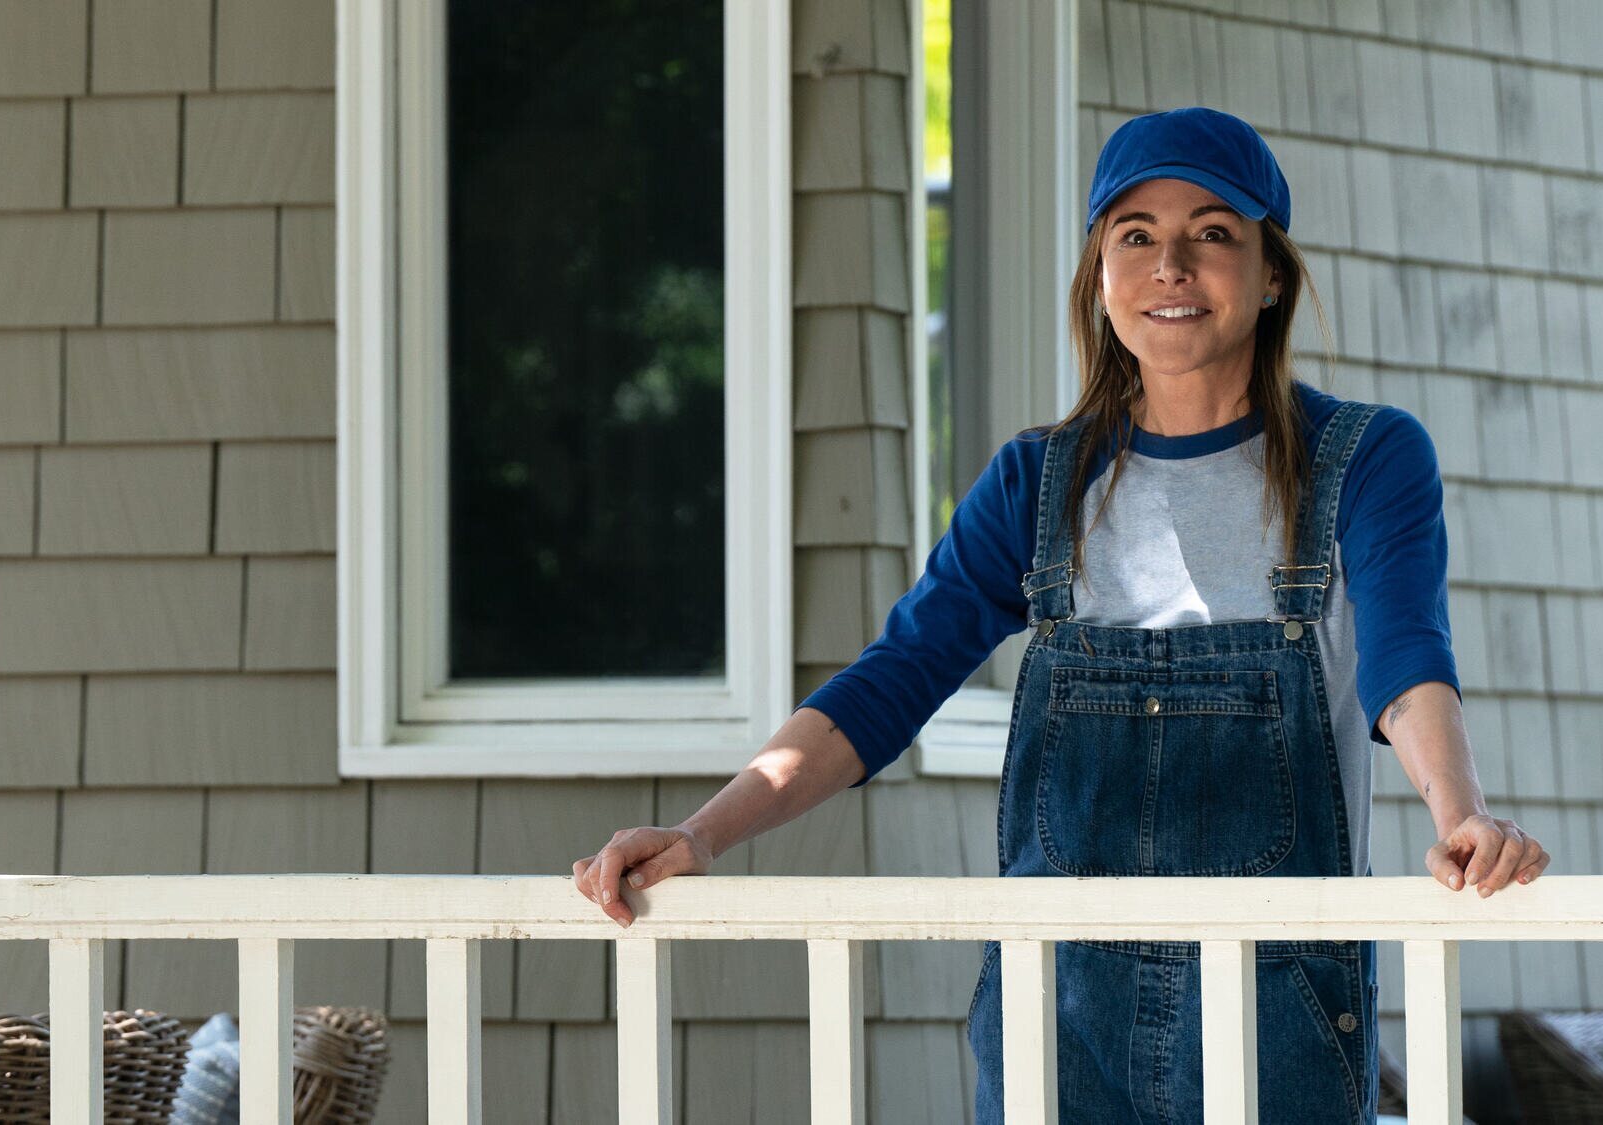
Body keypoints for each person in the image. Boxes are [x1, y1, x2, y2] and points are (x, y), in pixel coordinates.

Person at [572, 106, 1550, 1123]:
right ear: (1099, 276)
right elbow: (890, 684)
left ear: (1268, 276)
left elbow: (1403, 659)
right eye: (1134, 236)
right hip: (1056, 1010)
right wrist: (700, 834)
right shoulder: (1036, 483)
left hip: (1278, 1004)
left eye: (1212, 233)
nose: (1169, 264)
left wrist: (1458, 816)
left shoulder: (1362, 457)